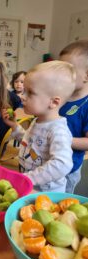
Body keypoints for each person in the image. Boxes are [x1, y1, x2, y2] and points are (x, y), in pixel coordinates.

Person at [2, 60, 76, 192]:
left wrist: (29, 178)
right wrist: (14, 126)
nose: (22, 97)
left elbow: (62, 164)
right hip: (31, 187)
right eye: (24, 91)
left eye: (30, 93)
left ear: (53, 102)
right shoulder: (38, 121)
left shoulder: (58, 130)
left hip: (47, 194)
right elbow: (29, 144)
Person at [59, 40, 88, 193]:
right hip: (49, 162)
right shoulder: (61, 96)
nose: (61, 76)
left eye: (68, 71)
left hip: (68, 170)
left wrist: (63, 139)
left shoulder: (86, 105)